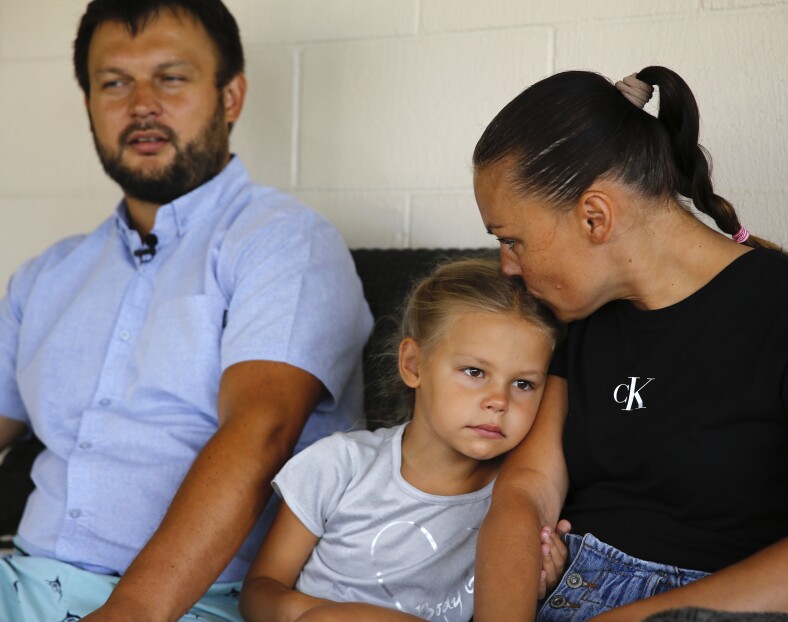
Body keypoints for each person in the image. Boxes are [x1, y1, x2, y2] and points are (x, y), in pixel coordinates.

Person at [0, 1, 372, 620]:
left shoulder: (285, 243)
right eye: (113, 82)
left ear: (231, 96)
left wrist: (132, 612)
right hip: (24, 581)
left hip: (191, 604)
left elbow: (263, 433)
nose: (141, 103)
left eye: (170, 77)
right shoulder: (46, 276)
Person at [470, 67, 788, 620]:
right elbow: (525, 491)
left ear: (595, 216)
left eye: (511, 240)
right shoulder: (581, 316)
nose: (507, 268)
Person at [239, 258, 565, 622]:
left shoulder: (518, 501)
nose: (499, 401)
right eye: (474, 372)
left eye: (523, 384)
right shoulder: (340, 464)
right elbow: (259, 590)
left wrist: (545, 579)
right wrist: (327, 617)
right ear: (413, 364)